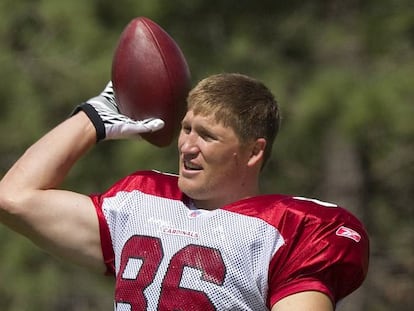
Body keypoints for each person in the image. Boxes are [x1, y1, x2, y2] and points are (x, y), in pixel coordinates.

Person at [0, 73, 369, 310]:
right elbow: (13, 198)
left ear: (254, 151)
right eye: (187, 128)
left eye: (207, 136)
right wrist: (92, 120)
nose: (188, 146)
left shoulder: (292, 229)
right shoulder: (141, 200)